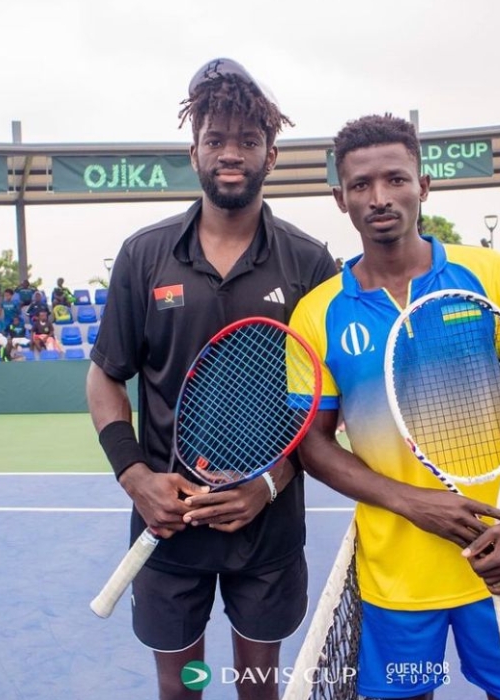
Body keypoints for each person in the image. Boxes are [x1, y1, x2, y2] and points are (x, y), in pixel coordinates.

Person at [85, 57, 336, 700]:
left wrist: (271, 485)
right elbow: (106, 377)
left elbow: (326, 407)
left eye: (248, 141)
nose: (231, 154)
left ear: (270, 155)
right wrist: (136, 478)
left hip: (266, 531)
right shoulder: (145, 255)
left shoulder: (309, 262)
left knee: (256, 685)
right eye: (216, 139)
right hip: (168, 531)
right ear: (193, 149)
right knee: (185, 688)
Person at [290, 114, 500, 700]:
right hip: (395, 585)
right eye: (361, 185)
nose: (380, 197)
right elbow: (312, 442)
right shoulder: (317, 314)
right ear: (340, 199)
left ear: (424, 186)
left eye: (396, 179)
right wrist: (411, 502)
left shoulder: (488, 276)